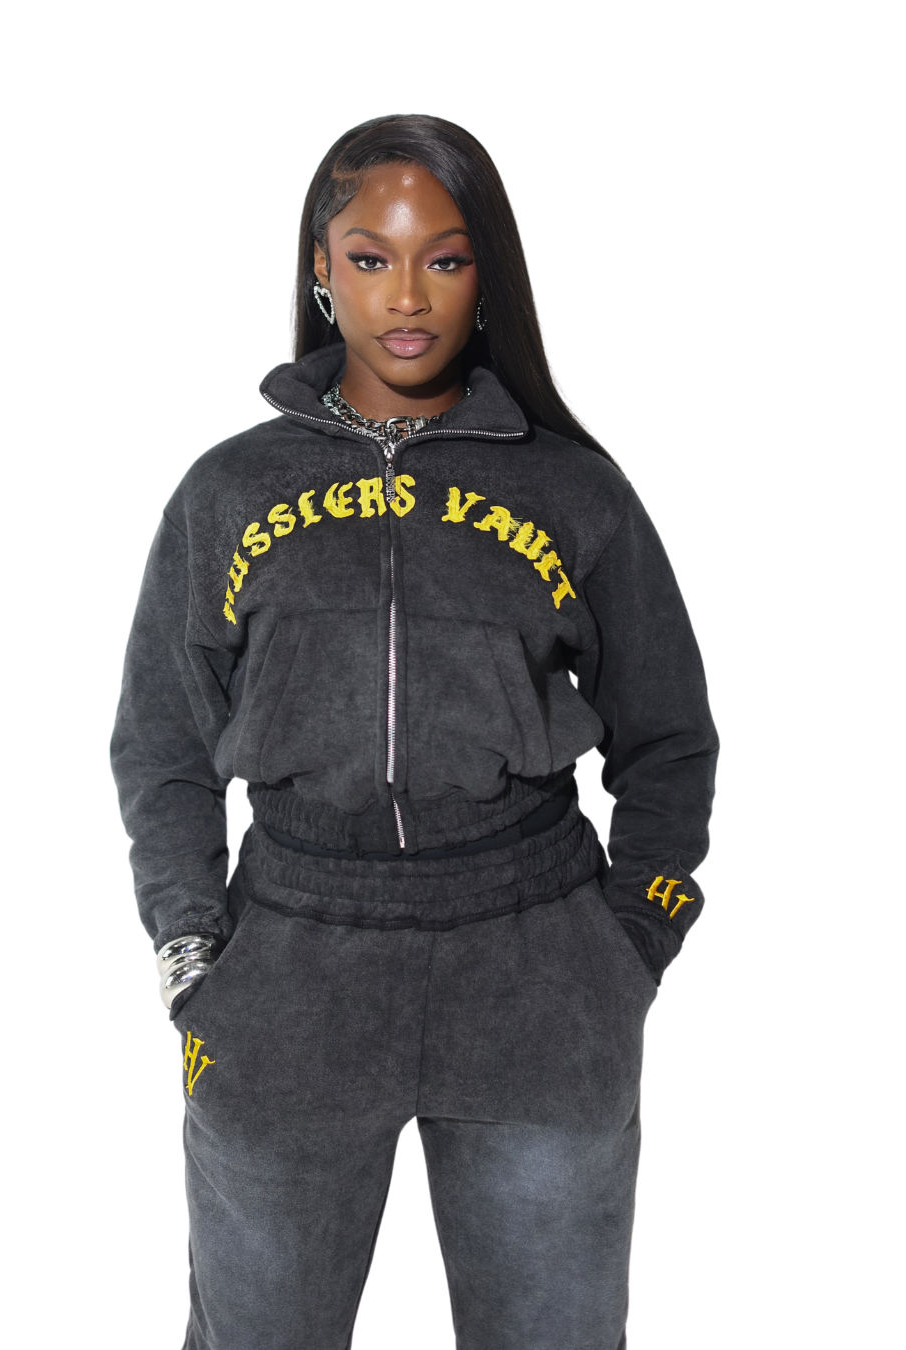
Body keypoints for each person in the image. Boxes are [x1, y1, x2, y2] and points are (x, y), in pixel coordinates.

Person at [111, 113, 718, 1350]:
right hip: (292, 967)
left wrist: (632, 943)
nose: (405, 294)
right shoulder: (229, 491)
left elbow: (669, 737)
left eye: (444, 258)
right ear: (320, 270)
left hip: (534, 969)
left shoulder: (573, 491)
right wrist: (189, 945)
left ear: (486, 275)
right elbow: (163, 743)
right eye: (369, 256)